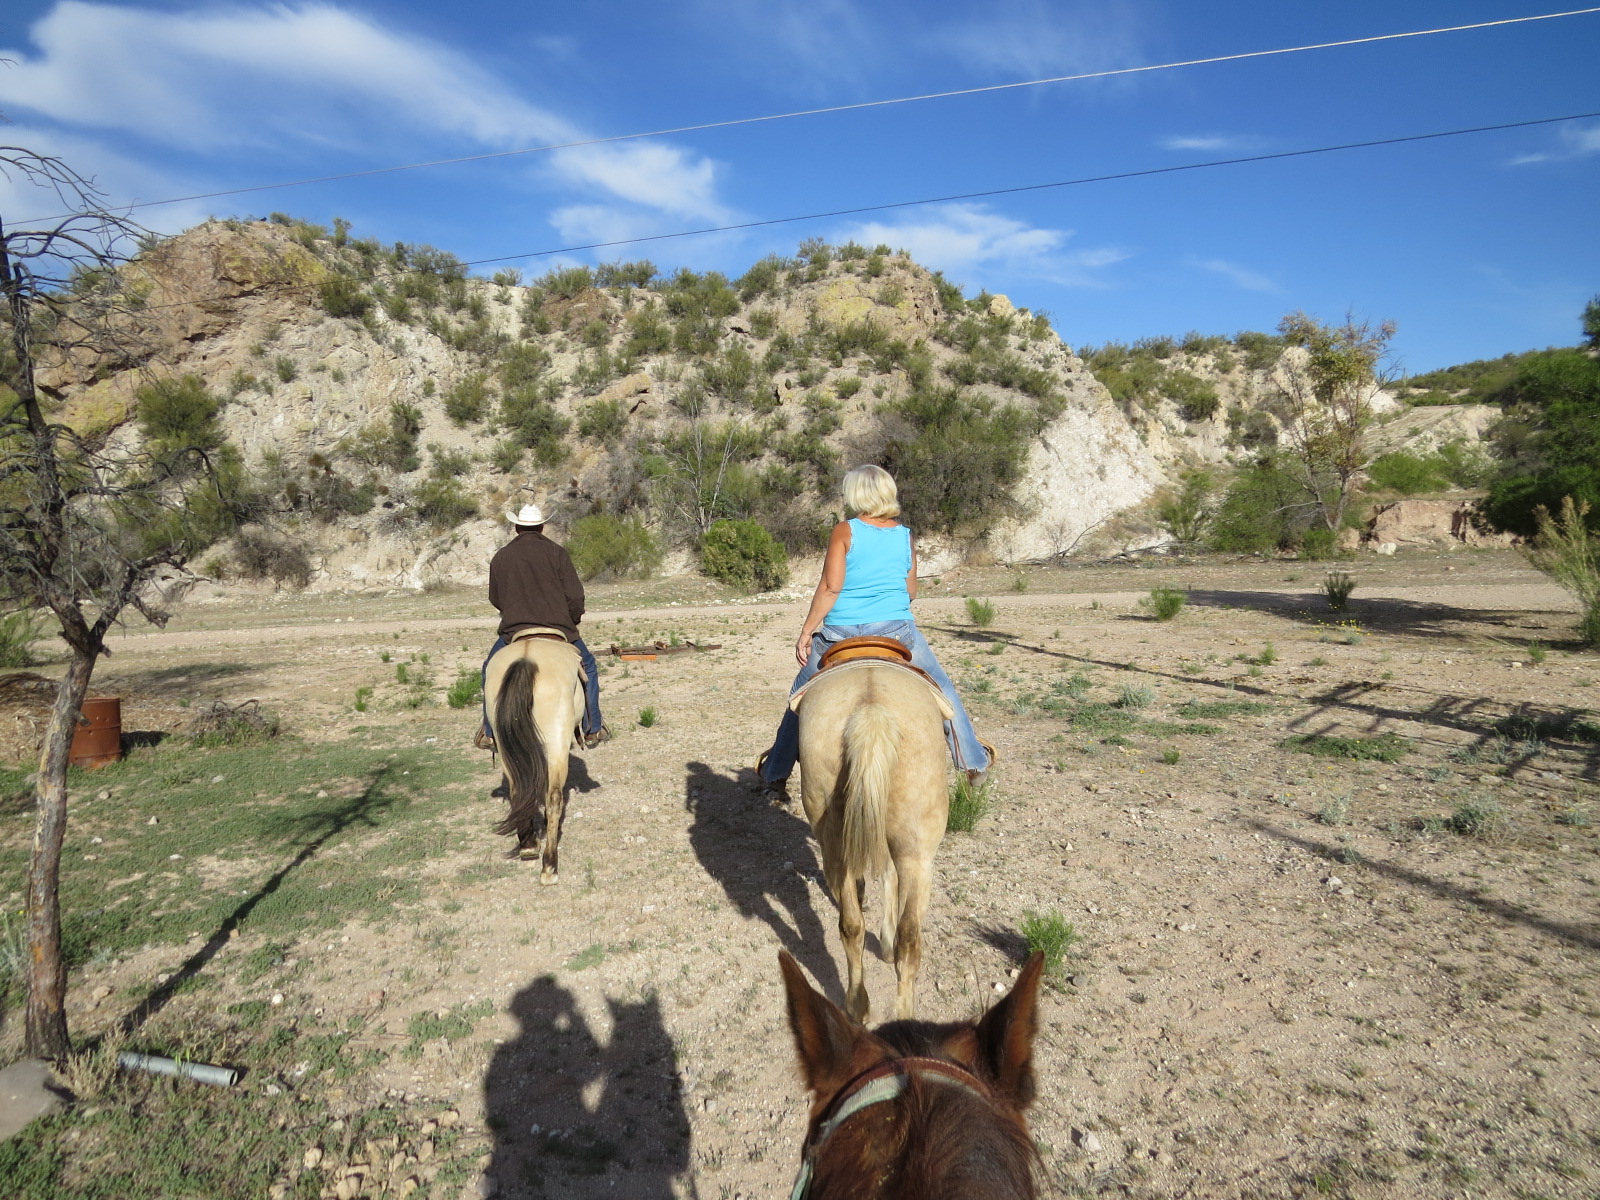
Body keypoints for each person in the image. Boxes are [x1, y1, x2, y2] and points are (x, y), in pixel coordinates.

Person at [754, 464, 992, 795]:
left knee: (801, 696)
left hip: (840, 634)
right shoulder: (904, 535)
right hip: (896, 631)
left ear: (856, 494)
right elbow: (911, 592)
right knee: (943, 687)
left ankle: (776, 775)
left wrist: (807, 631)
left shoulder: (845, 531)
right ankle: (972, 762)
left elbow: (830, 588)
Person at [477, 502, 609, 752]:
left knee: (488, 670)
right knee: (588, 667)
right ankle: (593, 729)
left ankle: (489, 732)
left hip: (514, 632)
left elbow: (495, 597)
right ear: (541, 526)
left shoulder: (502, 556)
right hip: (558, 629)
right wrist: (572, 620)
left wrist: (513, 612)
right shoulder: (557, 553)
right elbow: (575, 596)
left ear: (516, 527)